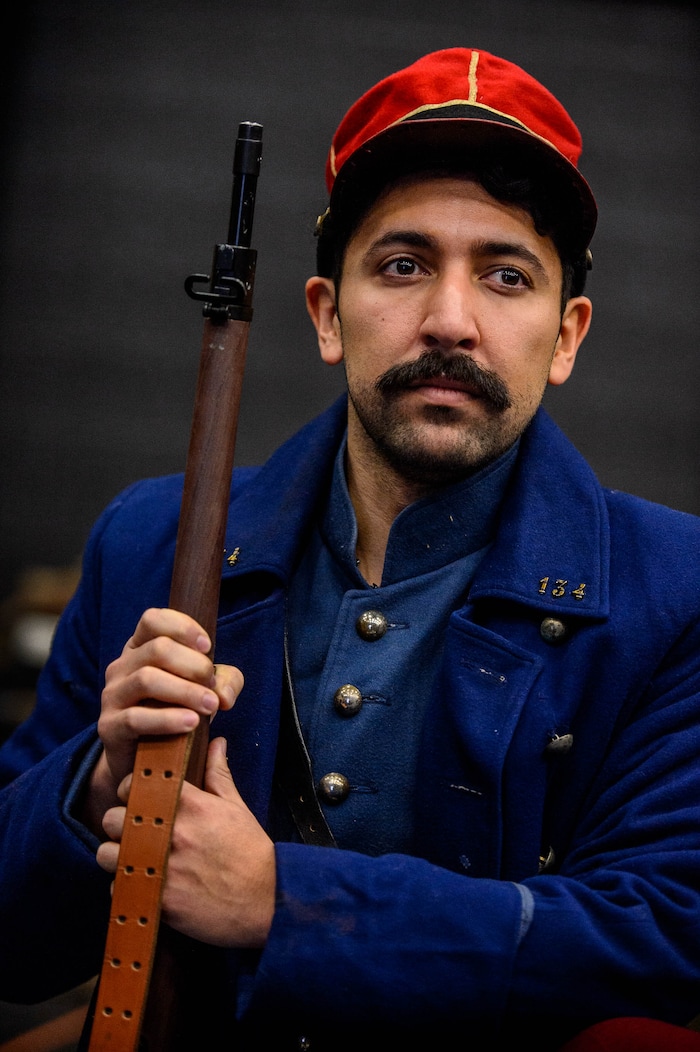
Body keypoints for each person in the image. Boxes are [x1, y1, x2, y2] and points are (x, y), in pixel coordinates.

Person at [1, 46, 700, 1052]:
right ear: (329, 315)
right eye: (402, 265)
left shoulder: (676, 591)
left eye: (506, 276)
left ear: (565, 337)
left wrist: (283, 900)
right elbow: (13, 946)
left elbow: (662, 937)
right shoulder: (148, 537)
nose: (449, 321)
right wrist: (97, 786)